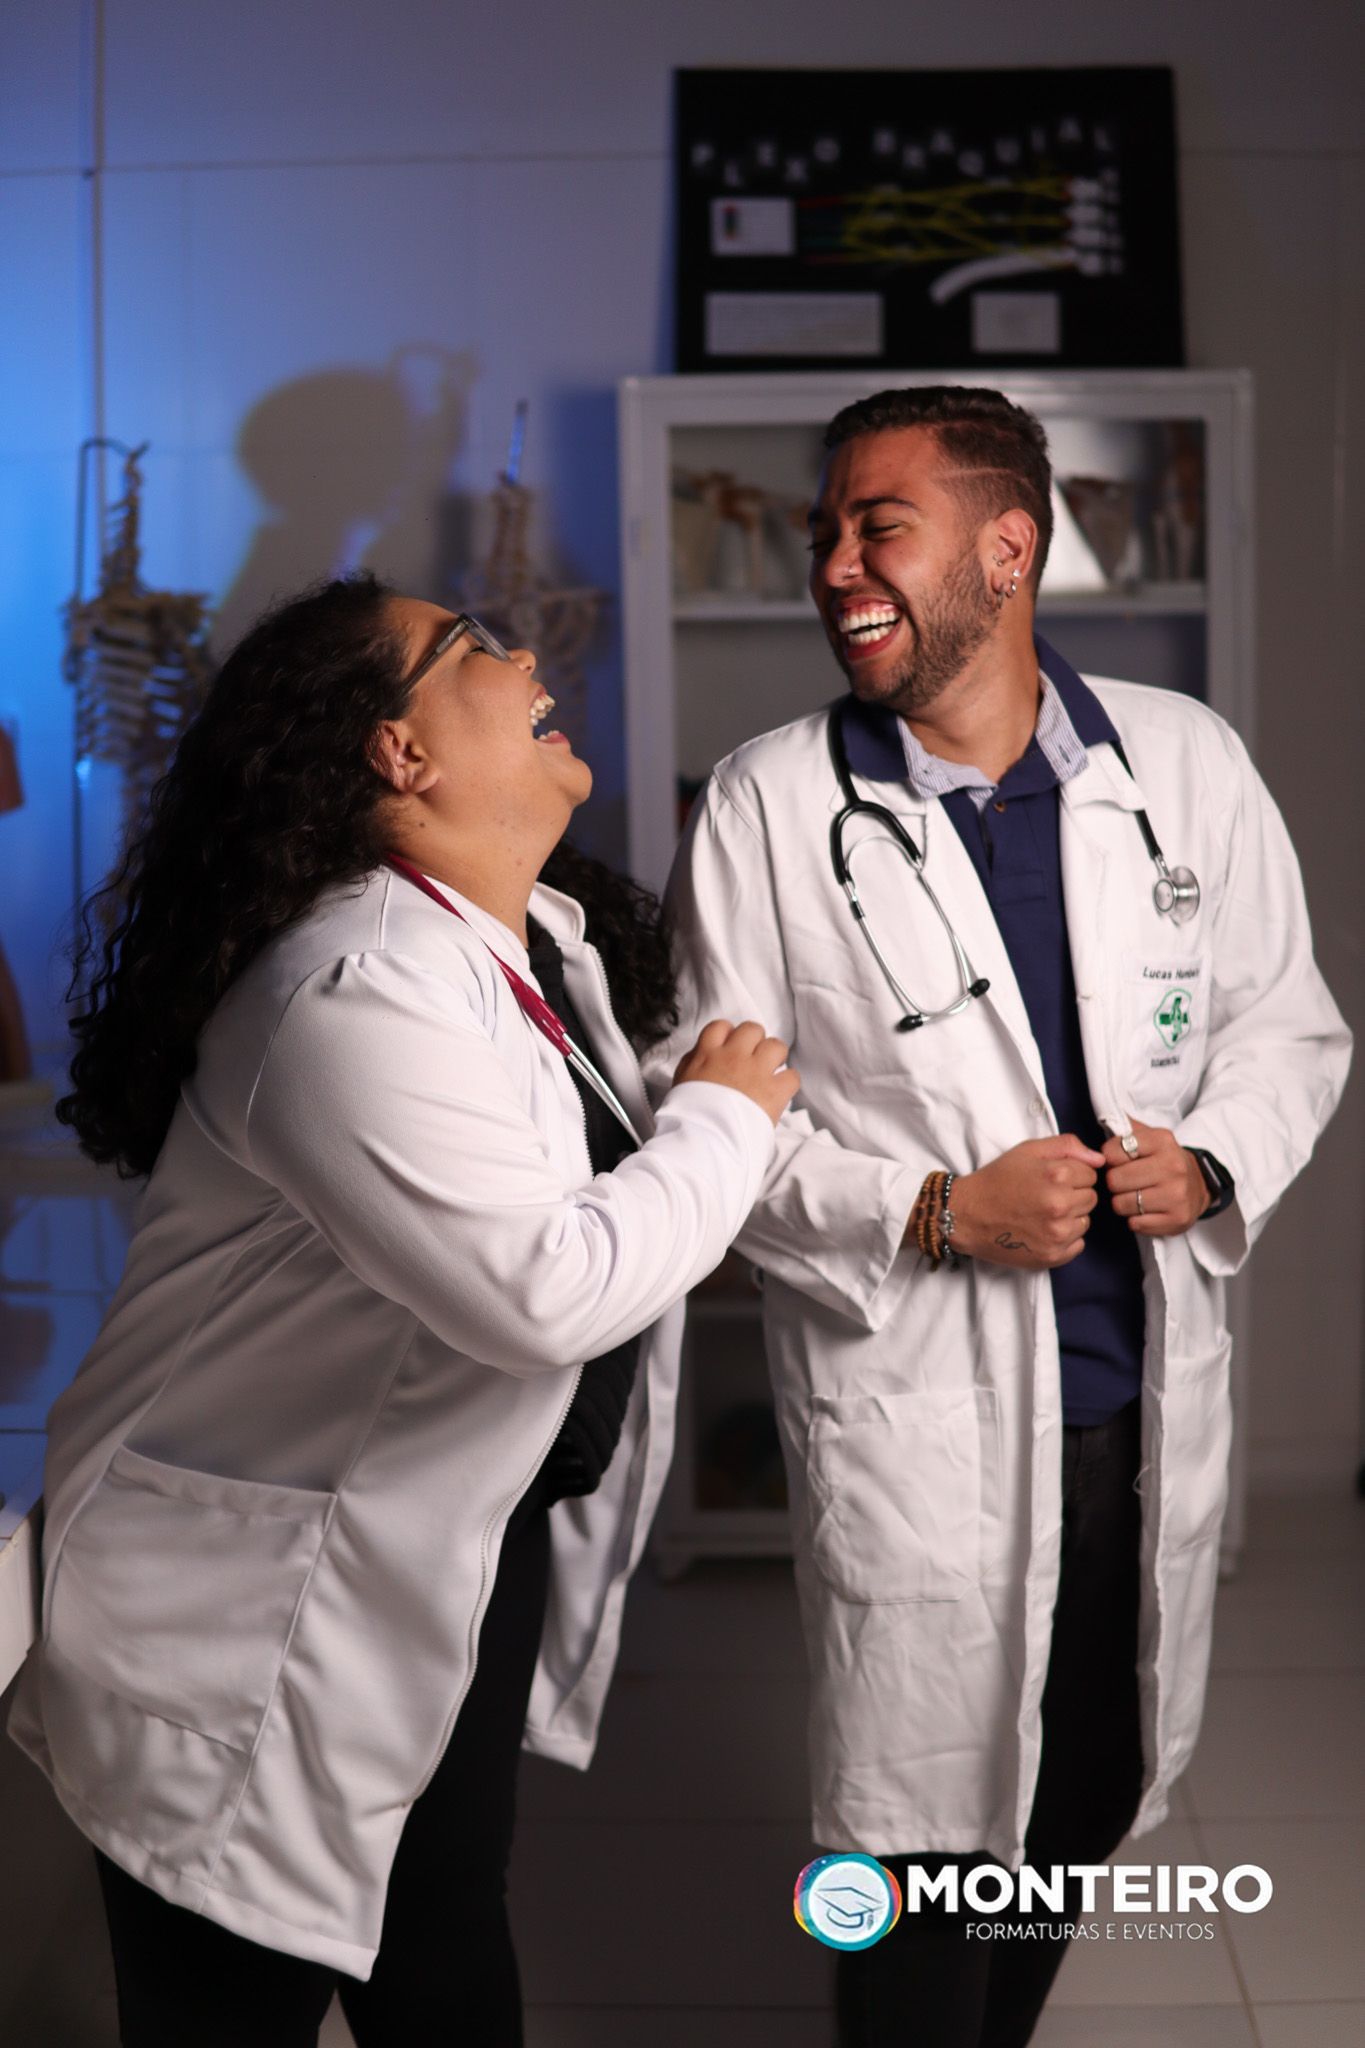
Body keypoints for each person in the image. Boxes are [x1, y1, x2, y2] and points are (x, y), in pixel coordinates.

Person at [649, 386, 1351, 2047]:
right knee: (915, 1837)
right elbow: (715, 1128)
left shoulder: (1180, 762)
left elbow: (1287, 1027)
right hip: (924, 1414)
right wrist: (936, 1209)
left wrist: (1214, 1160)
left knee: (1087, 1786)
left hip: (1136, 1402)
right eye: (824, 532)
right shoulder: (765, 805)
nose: (834, 564)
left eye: (876, 525)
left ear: (1008, 549)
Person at [8, 572, 797, 2047]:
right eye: (474, 646)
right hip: (247, 1617)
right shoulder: (352, 986)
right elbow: (546, 1289)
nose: (527, 654)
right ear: (399, 749)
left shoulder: (509, 946)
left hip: (438, 1547)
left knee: (440, 1938)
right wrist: (724, 1121)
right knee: (237, 2008)